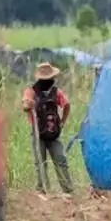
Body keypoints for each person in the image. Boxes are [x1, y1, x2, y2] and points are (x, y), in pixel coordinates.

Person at [21, 62, 75, 194]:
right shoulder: (36, 91)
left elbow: (66, 104)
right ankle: (52, 190)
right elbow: (25, 105)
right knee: (56, 161)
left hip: (49, 132)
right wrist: (62, 122)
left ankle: (53, 190)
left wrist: (61, 122)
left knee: (43, 163)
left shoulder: (42, 91)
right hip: (44, 132)